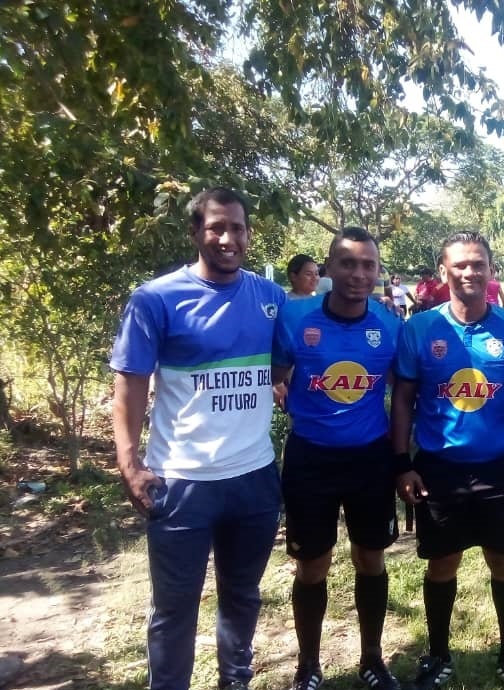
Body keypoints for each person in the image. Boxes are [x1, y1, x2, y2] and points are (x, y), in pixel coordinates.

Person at [110, 187, 285, 690]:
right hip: (183, 481)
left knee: (243, 596)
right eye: (216, 228)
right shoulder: (155, 299)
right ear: (195, 233)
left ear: (249, 234)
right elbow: (130, 382)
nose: (228, 238)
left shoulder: (269, 297)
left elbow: (282, 365)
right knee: (174, 608)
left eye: (237, 228)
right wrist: (129, 461)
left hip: (253, 477)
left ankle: (236, 681)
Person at [392, 231, 504, 690]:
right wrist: (403, 462)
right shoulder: (419, 330)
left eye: (478, 264)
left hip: (501, 467)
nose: (469, 272)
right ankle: (437, 655)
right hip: (439, 469)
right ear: (443, 271)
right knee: (442, 564)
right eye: (459, 265)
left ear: (490, 270)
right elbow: (402, 399)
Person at [273, 227, 402, 690]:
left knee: (371, 560)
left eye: (368, 264)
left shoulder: (390, 326)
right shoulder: (294, 319)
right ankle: (308, 665)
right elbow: (275, 372)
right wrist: (276, 386)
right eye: (348, 263)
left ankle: (372, 659)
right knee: (312, 565)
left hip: (371, 458)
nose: (358, 274)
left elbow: (403, 393)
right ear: (329, 269)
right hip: (311, 459)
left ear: (377, 271)